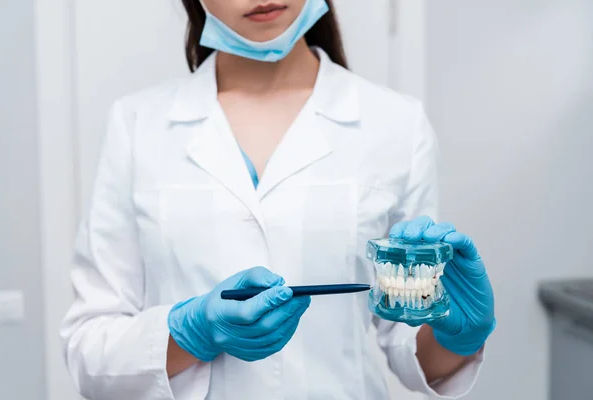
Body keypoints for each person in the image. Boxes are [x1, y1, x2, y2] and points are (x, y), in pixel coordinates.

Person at [60, 0, 496, 399]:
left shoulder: (397, 124)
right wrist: (188, 333)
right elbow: (89, 350)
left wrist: (458, 335)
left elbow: (408, 340)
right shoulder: (137, 126)